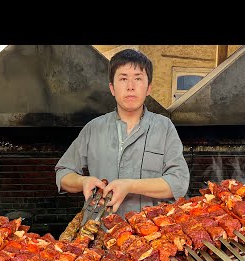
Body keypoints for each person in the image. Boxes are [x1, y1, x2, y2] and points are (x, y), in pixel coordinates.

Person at [55, 48, 190, 218]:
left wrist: (129, 186)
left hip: (149, 234)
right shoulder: (94, 128)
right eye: (123, 78)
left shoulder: (164, 128)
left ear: (149, 88)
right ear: (112, 88)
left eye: (138, 79)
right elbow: (63, 173)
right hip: (99, 231)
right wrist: (83, 181)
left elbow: (179, 182)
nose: (131, 87)